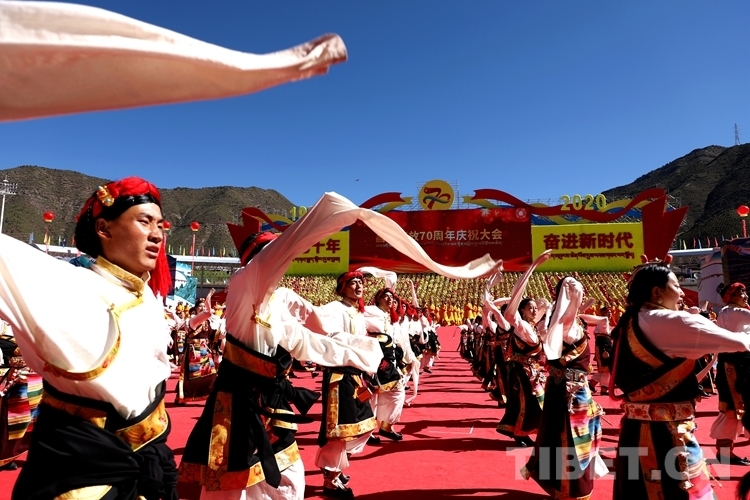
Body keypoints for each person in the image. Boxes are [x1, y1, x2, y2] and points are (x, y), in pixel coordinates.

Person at [178, 191, 501, 500]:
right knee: (231, 486)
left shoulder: (276, 300)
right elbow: (287, 251)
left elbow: (308, 339)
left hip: (270, 400)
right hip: (237, 404)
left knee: (289, 479)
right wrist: (333, 213)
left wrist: (362, 353)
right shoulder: (245, 280)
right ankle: (332, 472)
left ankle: (336, 466)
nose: (282, 261)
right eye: (273, 254)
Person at [0, 177, 178, 499]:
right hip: (80, 477)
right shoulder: (65, 284)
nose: (157, 234)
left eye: (160, 225)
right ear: (104, 229)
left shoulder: (148, 298)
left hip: (145, 469)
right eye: (144, 221)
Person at [610, 258, 750, 500]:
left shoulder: (630, 321)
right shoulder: (672, 321)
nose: (682, 292)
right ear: (657, 292)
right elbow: (741, 343)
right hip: (668, 436)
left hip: (634, 430)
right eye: (676, 286)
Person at [522, 274, 608, 500]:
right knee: (571, 437)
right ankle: (571, 490)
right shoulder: (566, 324)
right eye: (577, 292)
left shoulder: (568, 321)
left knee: (571, 435)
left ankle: (566, 487)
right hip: (569, 392)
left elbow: (587, 316)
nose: (581, 295)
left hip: (569, 387)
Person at [496, 253, 549, 447]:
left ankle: (523, 432)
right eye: (530, 308)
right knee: (526, 403)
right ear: (522, 311)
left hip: (531, 372)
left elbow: (546, 305)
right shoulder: (521, 327)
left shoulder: (533, 327)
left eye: (535, 308)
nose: (535, 310)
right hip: (521, 373)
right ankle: (519, 433)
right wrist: (531, 268)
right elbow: (513, 307)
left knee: (534, 403)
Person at [710, 282, 750, 465]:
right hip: (735, 367)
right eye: (742, 293)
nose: (746, 296)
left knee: (735, 409)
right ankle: (725, 454)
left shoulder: (729, 312)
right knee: (733, 409)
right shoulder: (735, 312)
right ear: (731, 296)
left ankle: (725, 454)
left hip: (738, 364)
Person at [0, 320, 42, 472]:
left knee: (32, 419)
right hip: (12, 377)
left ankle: (16, 454)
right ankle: (3, 457)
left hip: (35, 375)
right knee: (10, 420)